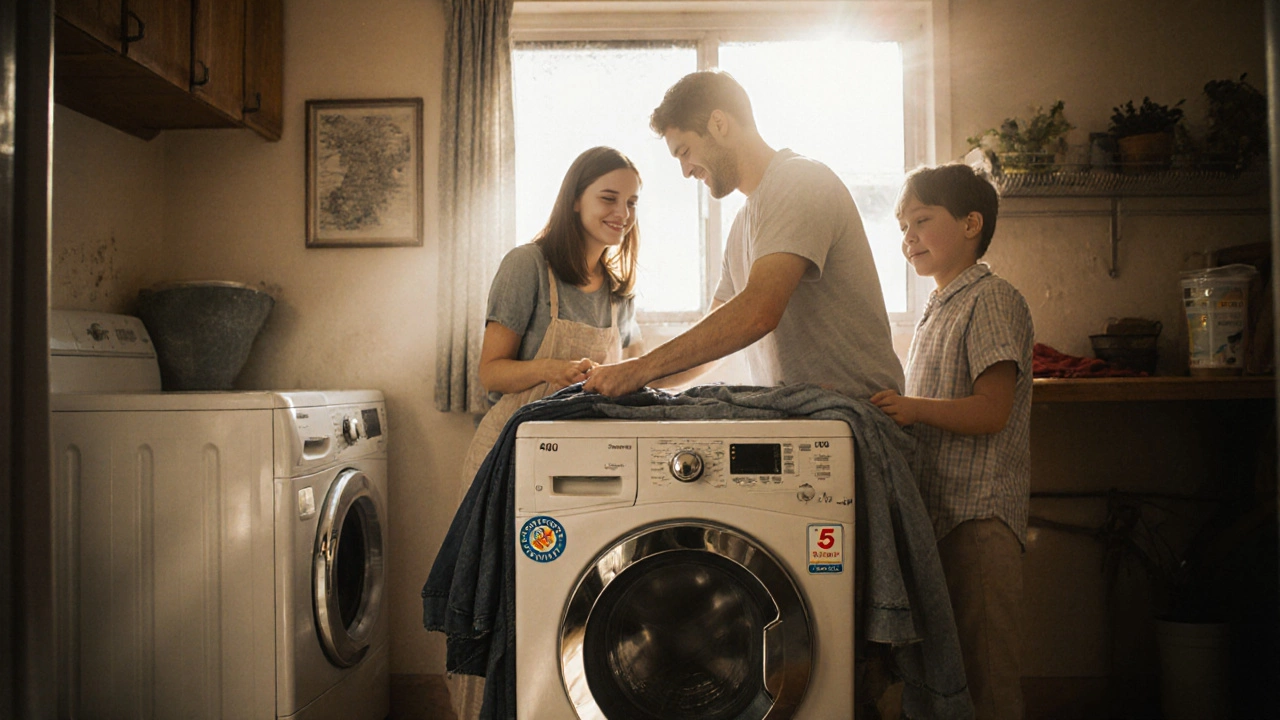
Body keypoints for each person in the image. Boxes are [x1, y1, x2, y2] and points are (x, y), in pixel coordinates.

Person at [446, 145, 647, 719]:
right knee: (505, 593)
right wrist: (556, 370)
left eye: (631, 202)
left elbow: (637, 367)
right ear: (575, 198)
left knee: (574, 594)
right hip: (513, 447)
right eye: (609, 198)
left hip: (591, 458)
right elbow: (491, 371)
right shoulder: (526, 265)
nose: (622, 213)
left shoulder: (617, 287)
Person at [583, 70, 903, 399]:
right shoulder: (742, 227)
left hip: (860, 417)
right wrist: (630, 377)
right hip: (811, 421)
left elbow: (758, 312)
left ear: (719, 124)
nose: (686, 171)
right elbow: (715, 338)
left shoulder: (799, 181)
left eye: (684, 152)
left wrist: (640, 369)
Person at [870, 163, 1034, 720]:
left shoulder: (991, 298)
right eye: (901, 226)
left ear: (970, 224)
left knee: (986, 676)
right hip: (943, 514)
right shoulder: (938, 307)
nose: (907, 237)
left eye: (921, 220)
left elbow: (992, 411)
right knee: (951, 674)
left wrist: (911, 409)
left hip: (980, 520)